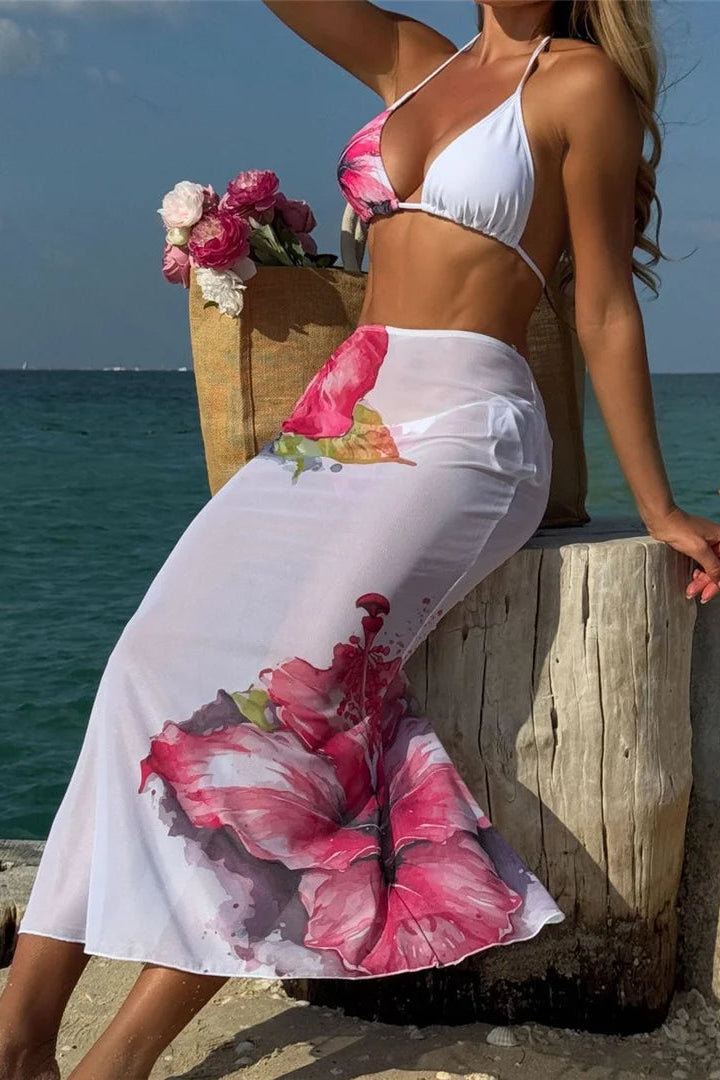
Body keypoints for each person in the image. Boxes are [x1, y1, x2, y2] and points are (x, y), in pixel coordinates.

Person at [3, 1, 720, 1078]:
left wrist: (659, 506)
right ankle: (20, 1034)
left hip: (466, 428)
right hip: (340, 413)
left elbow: (606, 308)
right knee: (142, 667)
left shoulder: (577, 84)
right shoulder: (412, 61)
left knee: (293, 707)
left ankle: (120, 1060)